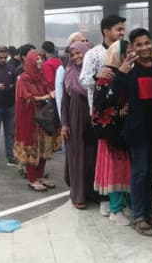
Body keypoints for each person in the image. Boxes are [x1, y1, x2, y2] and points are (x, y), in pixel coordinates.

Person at [118, 28, 152, 237]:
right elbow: (114, 95)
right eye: (139, 44)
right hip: (137, 130)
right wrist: (121, 73)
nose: (144, 47)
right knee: (139, 173)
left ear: (151, 43)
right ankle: (138, 216)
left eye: (147, 43)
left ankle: (150, 212)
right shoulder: (129, 70)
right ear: (132, 47)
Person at [91, 40, 134, 223]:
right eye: (129, 52)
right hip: (112, 133)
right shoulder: (106, 76)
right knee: (116, 171)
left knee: (126, 170)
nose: (133, 55)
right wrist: (119, 112)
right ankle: (115, 209)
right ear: (120, 56)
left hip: (126, 130)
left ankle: (123, 206)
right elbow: (99, 108)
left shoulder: (129, 73)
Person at [14, 51, 62, 192]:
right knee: (32, 149)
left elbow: (47, 89)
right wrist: (44, 97)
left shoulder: (41, 77)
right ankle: (32, 178)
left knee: (43, 149)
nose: (40, 62)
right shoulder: (23, 78)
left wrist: (52, 94)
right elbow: (25, 97)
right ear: (30, 62)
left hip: (42, 120)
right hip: (30, 121)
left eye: (40, 59)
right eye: (37, 60)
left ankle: (40, 176)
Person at [61, 40, 99, 209]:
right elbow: (64, 100)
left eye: (79, 53)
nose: (76, 56)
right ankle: (78, 196)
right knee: (77, 157)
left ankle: (93, 192)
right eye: (73, 54)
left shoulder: (94, 72)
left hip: (92, 116)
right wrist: (64, 124)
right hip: (75, 118)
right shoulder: (69, 73)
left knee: (93, 157)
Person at [79, 15, 126, 113]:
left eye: (123, 29)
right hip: (102, 113)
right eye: (119, 29)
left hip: (125, 110)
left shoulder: (127, 52)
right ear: (106, 31)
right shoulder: (92, 54)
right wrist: (96, 76)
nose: (122, 33)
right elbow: (83, 81)